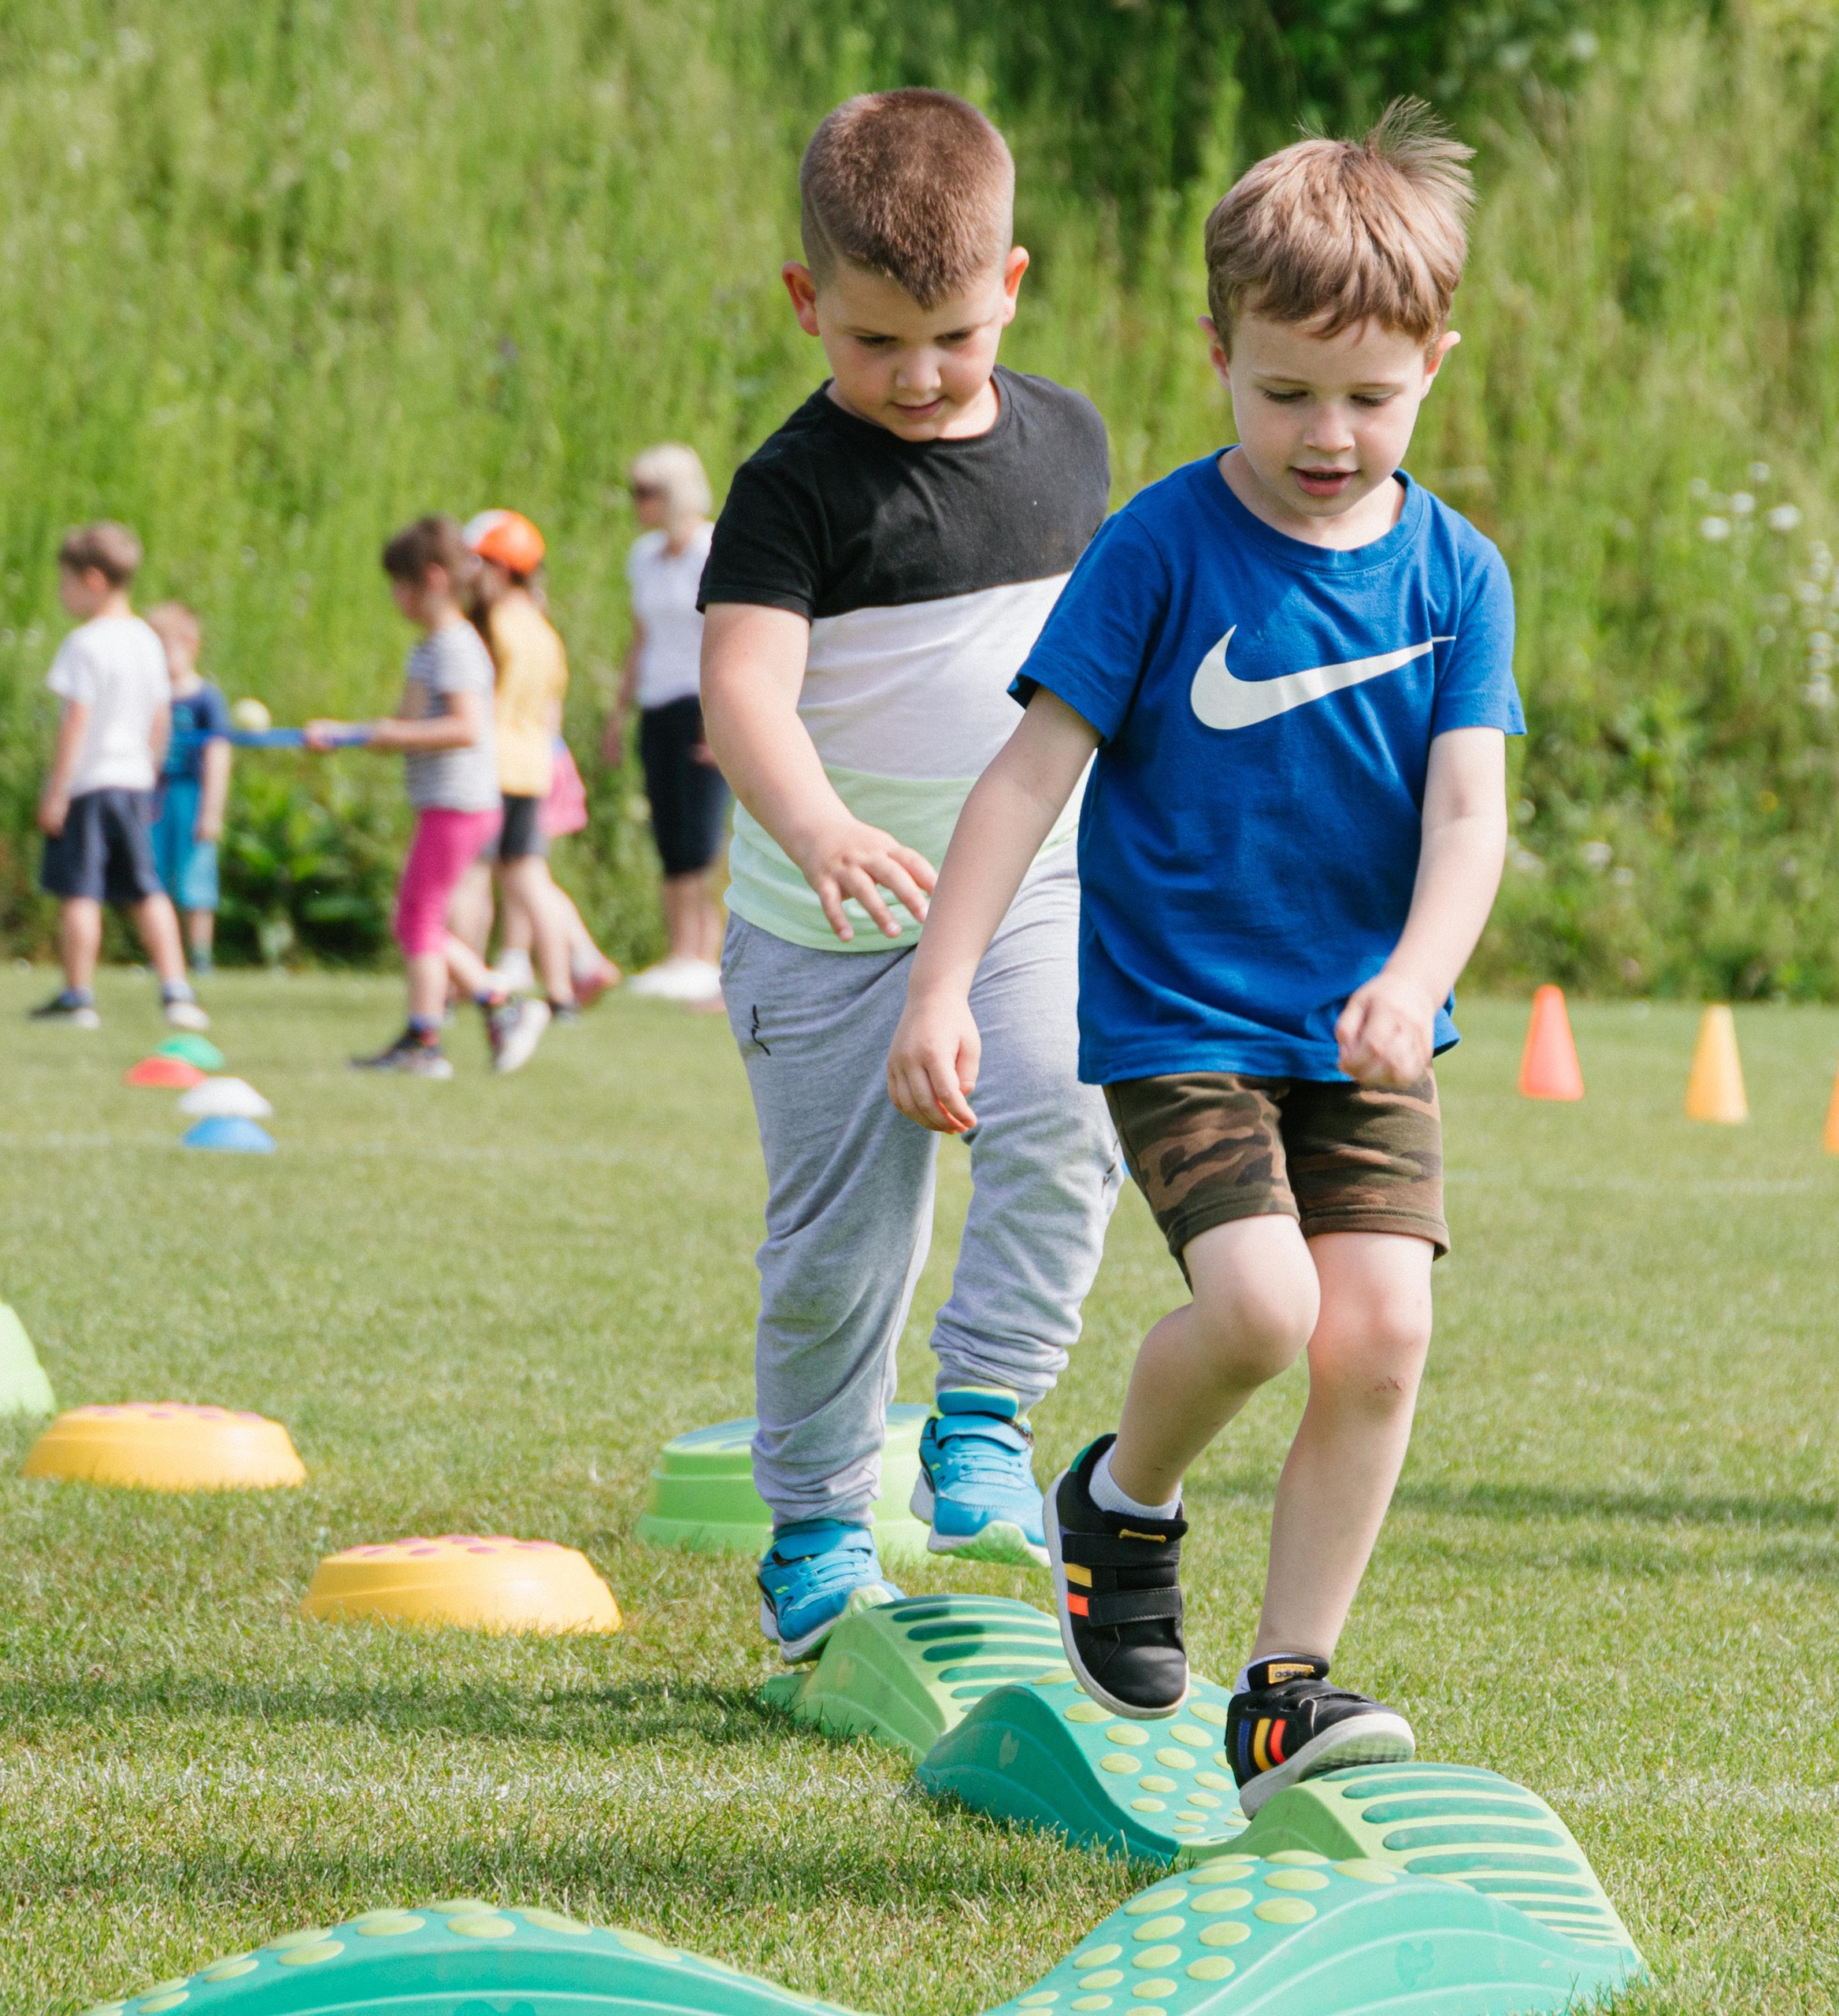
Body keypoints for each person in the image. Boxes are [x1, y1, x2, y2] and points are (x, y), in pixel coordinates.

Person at [887, 105, 1519, 1815]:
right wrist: (941, 985)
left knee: (1378, 1330)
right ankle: (1119, 1496)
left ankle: (1284, 1693)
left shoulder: (1456, 573)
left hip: (1363, 1029)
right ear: (1215, 352)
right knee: (1260, 1307)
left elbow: (1469, 815)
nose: (1326, 432)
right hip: (1180, 1019)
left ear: (1432, 364)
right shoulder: (1159, 548)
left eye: (1367, 395)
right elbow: (1027, 775)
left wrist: (1412, 966)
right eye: (1283, 388)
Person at [699, 89, 1122, 1660]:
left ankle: (983, 1413)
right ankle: (813, 1524)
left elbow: (1096, 655)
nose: (919, 374)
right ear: (807, 305)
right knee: (837, 1251)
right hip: (826, 930)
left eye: (949, 335)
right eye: (874, 342)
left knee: (1071, 1110)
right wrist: (817, 827)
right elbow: (742, 692)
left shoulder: (1071, 440)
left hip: (1023, 890)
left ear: (1010, 282)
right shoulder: (792, 488)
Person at [304, 515, 547, 1077]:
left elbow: (465, 728)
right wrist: (347, 733)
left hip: (458, 805)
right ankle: (490, 1003)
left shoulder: (455, 647)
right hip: (449, 805)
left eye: (400, 584)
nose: (395, 597)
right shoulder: (434, 648)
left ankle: (429, 1039)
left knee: (418, 919)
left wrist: (387, 734)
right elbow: (407, 724)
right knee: (416, 919)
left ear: (432, 579)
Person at [29, 522, 207, 1032]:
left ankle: (78, 997)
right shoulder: (147, 642)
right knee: (146, 890)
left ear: (92, 580)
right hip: (133, 784)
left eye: (64, 582)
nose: (61, 593)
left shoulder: (84, 644)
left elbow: (76, 721)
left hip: (88, 785)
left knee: (79, 892)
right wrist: (149, 772)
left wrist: (57, 790)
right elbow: (160, 717)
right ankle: (177, 991)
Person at [604, 443, 728, 1006]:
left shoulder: (711, 547)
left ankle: (708, 952)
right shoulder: (641, 555)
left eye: (646, 492)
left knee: (703, 832)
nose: (637, 503)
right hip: (657, 701)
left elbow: (724, 638)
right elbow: (640, 638)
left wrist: (718, 717)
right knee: (670, 829)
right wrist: (618, 711)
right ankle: (680, 950)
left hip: (699, 704)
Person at [454, 510, 588, 1019]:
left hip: (487, 768)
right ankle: (560, 992)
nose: (469, 575)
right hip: (533, 771)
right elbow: (550, 712)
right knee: (532, 882)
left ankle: (462, 986)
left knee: (471, 878)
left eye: (477, 563)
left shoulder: (487, 630)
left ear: (501, 569)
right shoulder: (544, 631)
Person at [146, 602, 232, 975]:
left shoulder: (205, 699)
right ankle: (162, 956)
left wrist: (211, 811)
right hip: (155, 797)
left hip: (192, 795)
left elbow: (218, 756)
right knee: (154, 877)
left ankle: (199, 955)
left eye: (164, 648)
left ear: (190, 645)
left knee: (197, 880)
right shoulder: (151, 696)